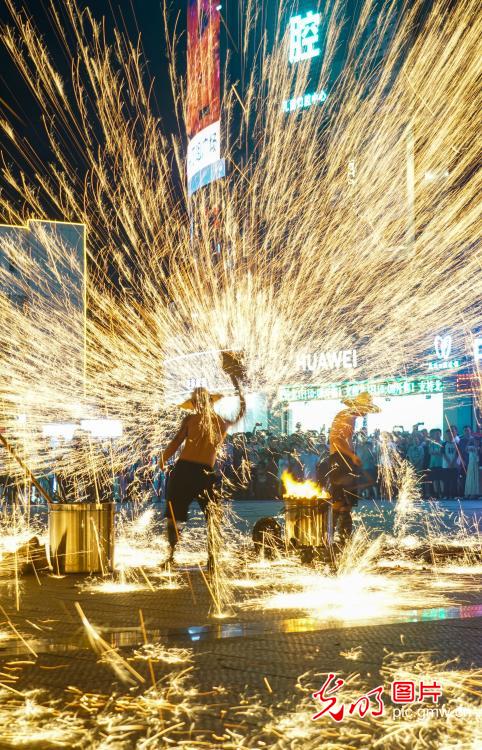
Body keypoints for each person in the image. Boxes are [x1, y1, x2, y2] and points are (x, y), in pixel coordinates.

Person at [160, 353, 246, 570]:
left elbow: (176, 442)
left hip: (185, 471)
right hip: (203, 473)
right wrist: (238, 385)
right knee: (210, 516)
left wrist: (163, 459)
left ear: (199, 403)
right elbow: (241, 412)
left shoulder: (192, 419)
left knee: (176, 516)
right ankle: (209, 559)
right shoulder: (219, 422)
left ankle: (172, 556)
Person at [329, 391, 381, 543]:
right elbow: (337, 440)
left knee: (345, 500)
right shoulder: (349, 417)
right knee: (341, 500)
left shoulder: (347, 415)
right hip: (341, 460)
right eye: (366, 409)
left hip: (341, 459)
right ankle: (334, 534)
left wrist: (352, 456)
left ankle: (340, 535)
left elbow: (341, 440)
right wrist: (351, 456)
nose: (366, 413)